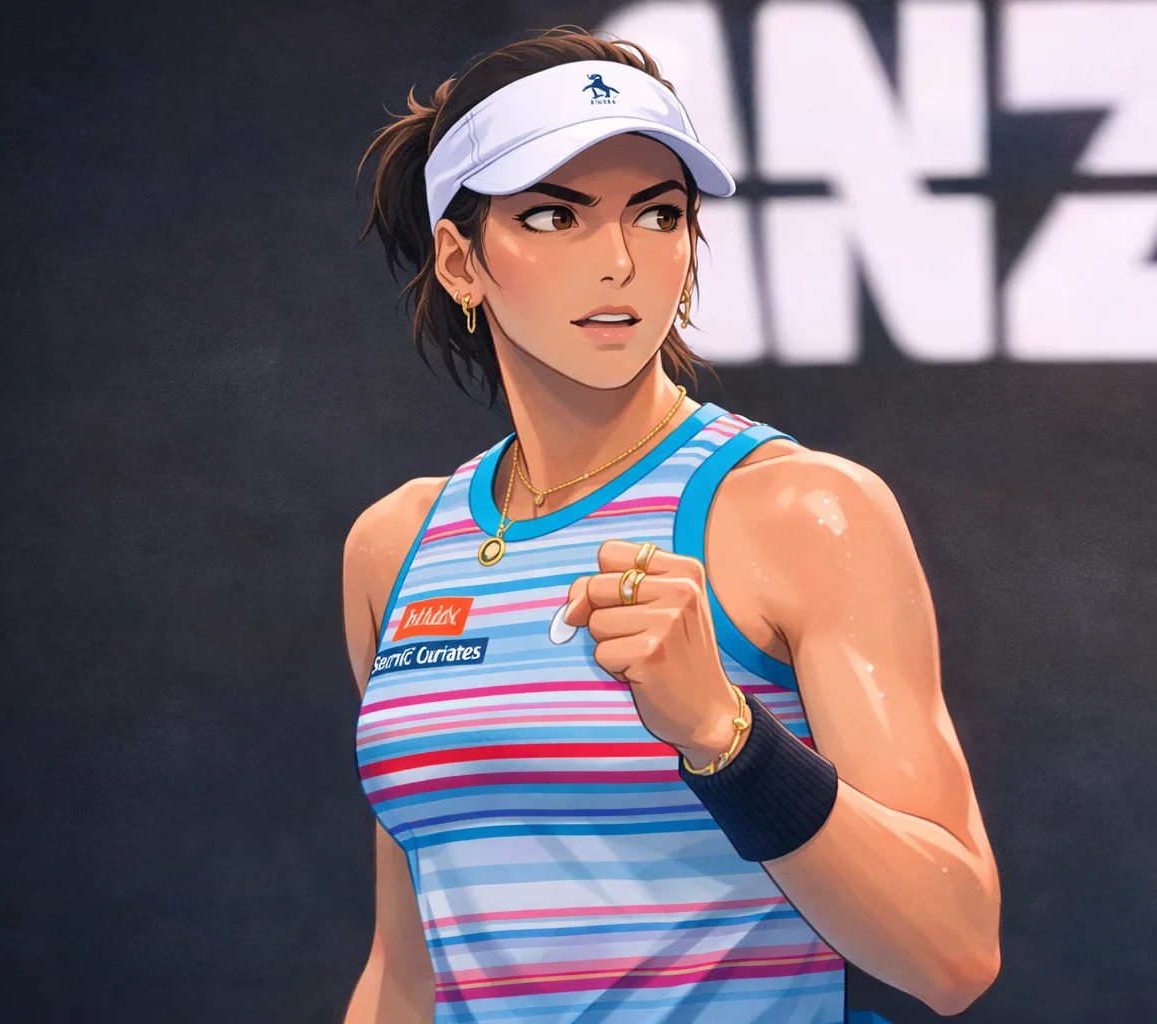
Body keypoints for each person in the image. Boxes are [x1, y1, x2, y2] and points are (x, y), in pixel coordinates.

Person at [342, 27, 1001, 1023]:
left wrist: (723, 734)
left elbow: (952, 952)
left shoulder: (800, 510)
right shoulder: (394, 547)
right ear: (460, 260)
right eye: (555, 215)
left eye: (657, 213)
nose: (618, 260)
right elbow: (409, 971)